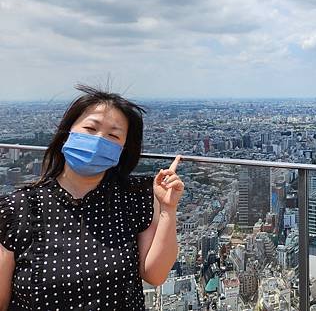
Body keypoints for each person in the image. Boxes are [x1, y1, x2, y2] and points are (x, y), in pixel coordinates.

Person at [0, 85, 185, 310]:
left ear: (123, 149)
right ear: (67, 132)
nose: (99, 140)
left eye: (113, 135)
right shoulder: (19, 207)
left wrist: (168, 209)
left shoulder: (135, 196)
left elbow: (155, 275)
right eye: (90, 128)